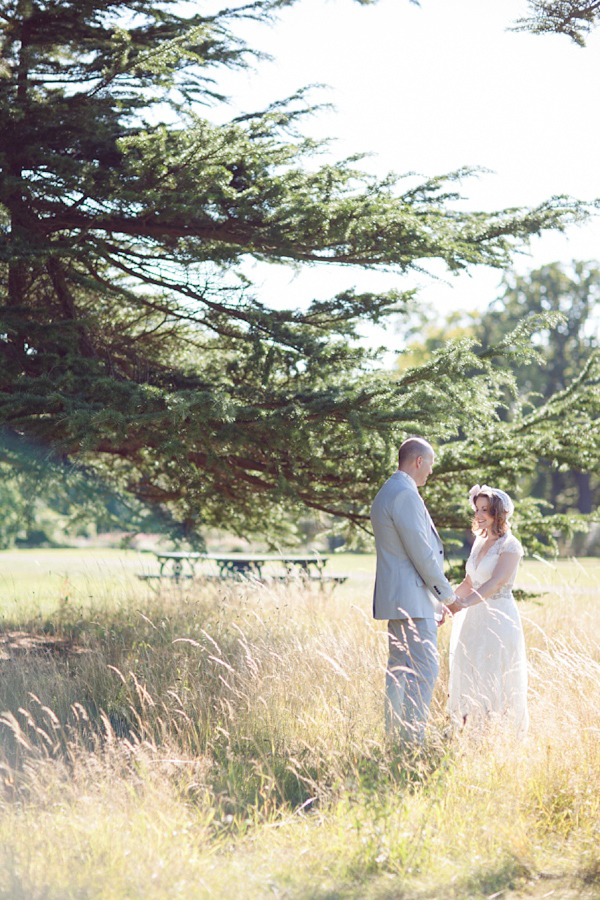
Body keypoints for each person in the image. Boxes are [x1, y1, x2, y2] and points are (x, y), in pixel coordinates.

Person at [371, 437, 458, 744]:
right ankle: (412, 741)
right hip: (413, 600)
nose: (431, 472)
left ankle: (395, 738)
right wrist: (446, 595)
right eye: (430, 465)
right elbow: (422, 552)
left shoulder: (387, 492)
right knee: (425, 669)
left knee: (399, 670)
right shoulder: (405, 495)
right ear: (418, 461)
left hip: (398, 600)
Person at [447, 485, 529, 737]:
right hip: (473, 617)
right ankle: (468, 729)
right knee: (470, 668)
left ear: (499, 514)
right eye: (478, 509)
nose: (480, 514)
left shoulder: (511, 546)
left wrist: (464, 604)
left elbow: (496, 583)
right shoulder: (479, 541)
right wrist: (448, 604)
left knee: (493, 670)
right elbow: (469, 582)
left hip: (498, 617)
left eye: (486, 510)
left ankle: (497, 732)